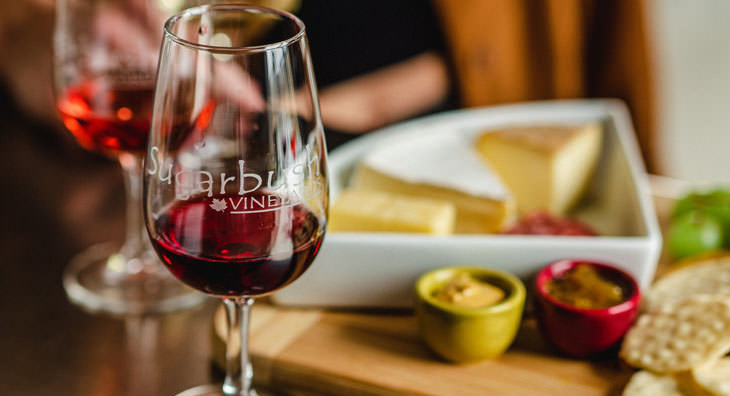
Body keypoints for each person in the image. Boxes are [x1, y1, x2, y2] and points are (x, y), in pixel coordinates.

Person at [0, 0, 656, 171]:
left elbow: (596, 49)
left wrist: (280, 112)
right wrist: (35, 32)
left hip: (386, 167)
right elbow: (33, 34)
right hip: (112, 190)